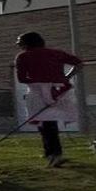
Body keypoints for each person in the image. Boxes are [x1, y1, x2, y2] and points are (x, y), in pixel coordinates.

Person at [14, 32, 83, 167]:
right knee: (49, 122)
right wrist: (66, 78)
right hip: (59, 90)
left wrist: (39, 83)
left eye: (19, 41)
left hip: (39, 92)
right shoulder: (56, 53)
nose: (17, 44)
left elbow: (22, 78)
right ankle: (51, 152)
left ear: (26, 43)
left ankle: (55, 154)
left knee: (46, 123)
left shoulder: (23, 56)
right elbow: (79, 64)